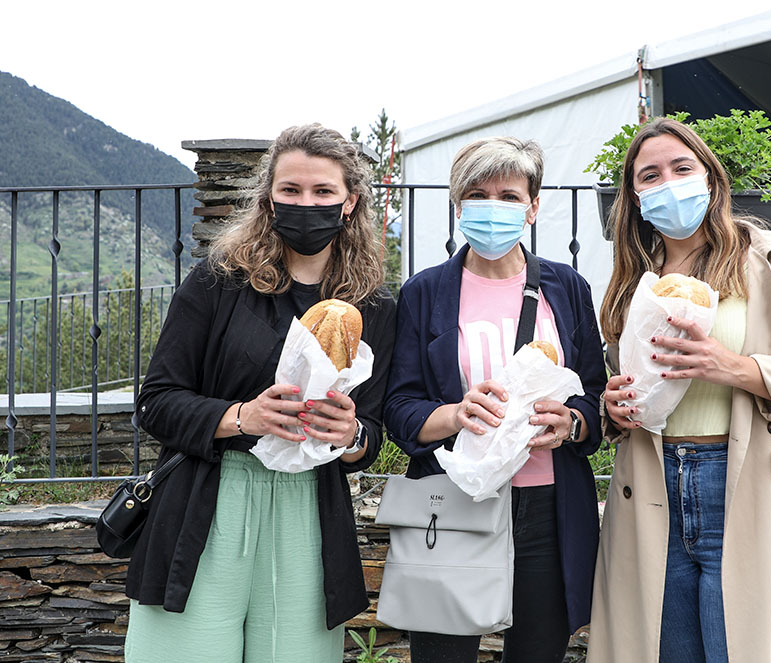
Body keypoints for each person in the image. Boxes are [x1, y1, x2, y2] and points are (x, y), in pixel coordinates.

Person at [588, 117, 771, 663]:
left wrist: (734, 367)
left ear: (710, 176)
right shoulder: (631, 279)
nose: (668, 183)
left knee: (746, 646)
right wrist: (612, 410)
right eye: (650, 175)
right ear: (633, 196)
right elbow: (627, 387)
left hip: (743, 483)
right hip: (651, 485)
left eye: (681, 168)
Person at [124, 124, 396, 662]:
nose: (305, 203)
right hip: (210, 497)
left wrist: (353, 434)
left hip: (309, 510)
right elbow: (155, 400)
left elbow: (372, 435)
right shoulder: (219, 281)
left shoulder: (375, 306)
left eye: (323, 193)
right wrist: (242, 415)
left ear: (350, 202)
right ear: (268, 197)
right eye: (290, 190)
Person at [383, 136, 604, 663]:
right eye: (478, 194)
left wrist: (572, 422)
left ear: (533, 206)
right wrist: (455, 414)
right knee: (442, 654)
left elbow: (595, 395)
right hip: (453, 503)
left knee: (537, 653)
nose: (493, 207)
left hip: (548, 506)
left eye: (508, 195)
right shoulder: (424, 291)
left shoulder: (567, 287)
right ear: (459, 206)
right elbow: (399, 407)